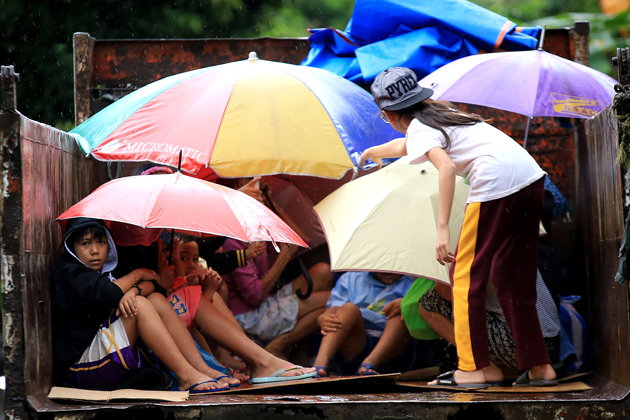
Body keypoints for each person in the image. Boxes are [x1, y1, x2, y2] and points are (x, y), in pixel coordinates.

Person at [360, 67, 557, 387]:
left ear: (388, 115)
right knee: (513, 278)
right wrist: (373, 152)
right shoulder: (442, 114)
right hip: (530, 179)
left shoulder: (422, 128)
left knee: (463, 279)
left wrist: (442, 230)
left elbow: (446, 167)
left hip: (495, 186)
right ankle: (540, 367)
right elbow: (409, 146)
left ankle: (474, 368)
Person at [51, 218, 226, 393]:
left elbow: (156, 286)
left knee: (155, 299)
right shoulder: (71, 272)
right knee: (139, 306)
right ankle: (186, 376)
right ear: (72, 247)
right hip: (81, 368)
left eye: (101, 242)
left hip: (100, 357)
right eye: (85, 244)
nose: (95, 251)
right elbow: (111, 293)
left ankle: (202, 368)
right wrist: (138, 273)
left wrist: (132, 291)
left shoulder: (103, 272)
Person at [419, 271, 561, 384]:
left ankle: (483, 367)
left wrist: (439, 267)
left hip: (516, 344)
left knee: (429, 301)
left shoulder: (472, 244)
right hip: (547, 347)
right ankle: (531, 369)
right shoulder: (508, 240)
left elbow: (446, 293)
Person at [222, 238, 334, 359]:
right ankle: (276, 348)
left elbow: (302, 242)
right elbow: (254, 296)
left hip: (268, 299)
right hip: (250, 315)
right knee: (332, 302)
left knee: (323, 271)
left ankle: (298, 355)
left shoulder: (258, 234)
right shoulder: (233, 242)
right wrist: (284, 255)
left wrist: (283, 222)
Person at [311, 272, 415, 377]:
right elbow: (335, 308)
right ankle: (320, 364)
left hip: (394, 347)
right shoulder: (352, 279)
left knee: (401, 312)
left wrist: (407, 304)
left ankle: (370, 364)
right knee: (348, 309)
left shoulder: (415, 283)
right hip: (355, 343)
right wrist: (324, 317)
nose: (387, 271)